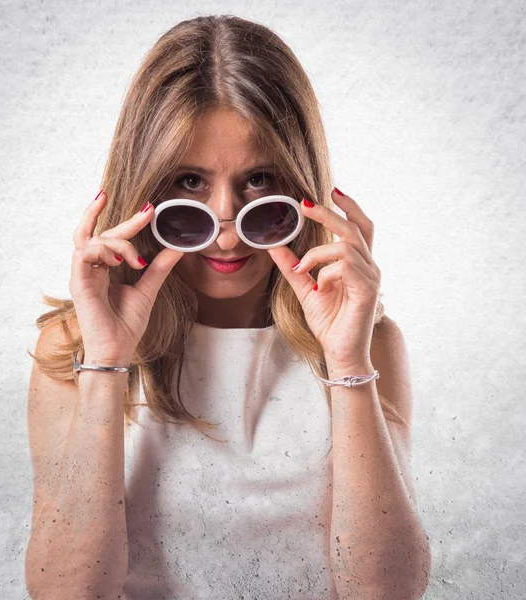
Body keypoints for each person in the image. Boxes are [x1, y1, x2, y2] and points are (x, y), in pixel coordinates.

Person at [24, 14, 431, 600]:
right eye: (189, 182)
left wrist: (346, 362)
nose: (227, 232)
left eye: (259, 179)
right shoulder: (72, 348)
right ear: (144, 190)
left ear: (302, 185)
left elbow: (387, 592)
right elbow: (65, 593)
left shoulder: (367, 345)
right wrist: (108, 361)